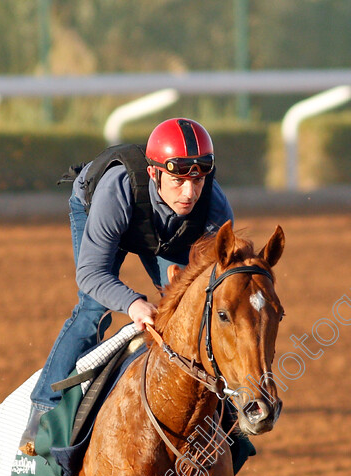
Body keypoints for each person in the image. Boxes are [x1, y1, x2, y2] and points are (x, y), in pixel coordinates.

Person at [21, 117, 234, 446]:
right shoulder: (116, 189)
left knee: (187, 309)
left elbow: (212, 287)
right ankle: (41, 413)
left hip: (165, 233)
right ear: (154, 172)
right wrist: (133, 304)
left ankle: (213, 408)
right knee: (94, 308)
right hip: (107, 209)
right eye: (177, 180)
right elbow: (92, 274)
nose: (189, 193)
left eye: (198, 179)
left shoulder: (213, 207)